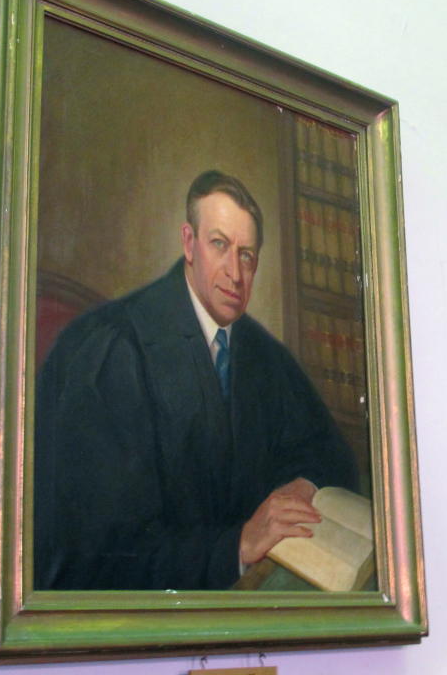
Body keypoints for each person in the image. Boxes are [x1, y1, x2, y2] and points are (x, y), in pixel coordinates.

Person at [34, 170, 357, 590]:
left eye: (247, 256)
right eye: (220, 245)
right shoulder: (113, 350)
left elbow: (331, 453)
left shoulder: (259, 352)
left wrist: (302, 484)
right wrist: (238, 545)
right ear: (189, 243)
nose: (235, 275)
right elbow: (97, 553)